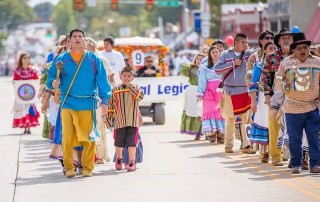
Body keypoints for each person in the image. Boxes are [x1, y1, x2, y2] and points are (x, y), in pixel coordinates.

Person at [46, 28, 112, 178]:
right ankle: (69, 168)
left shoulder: (94, 59)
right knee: (67, 136)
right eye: (74, 36)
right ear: (69, 41)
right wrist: (53, 83)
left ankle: (87, 168)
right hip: (67, 102)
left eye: (80, 36)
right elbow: (50, 79)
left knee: (88, 137)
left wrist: (105, 101)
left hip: (88, 103)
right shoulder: (61, 60)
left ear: (84, 40)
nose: (77, 38)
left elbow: (103, 81)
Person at [274, 32, 320, 174]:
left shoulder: (317, 62)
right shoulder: (286, 62)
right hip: (292, 108)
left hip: (312, 107)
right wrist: (285, 85)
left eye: (305, 48)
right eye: (299, 48)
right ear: (293, 50)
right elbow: (277, 79)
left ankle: (315, 164)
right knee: (294, 138)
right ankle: (296, 164)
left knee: (314, 137)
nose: (302, 51)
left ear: (308, 48)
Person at [214, 33, 256, 154]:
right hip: (230, 91)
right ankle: (228, 145)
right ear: (235, 42)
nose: (245, 44)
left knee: (246, 120)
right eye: (243, 42)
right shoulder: (226, 54)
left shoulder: (249, 54)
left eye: (246, 42)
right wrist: (232, 63)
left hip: (245, 90)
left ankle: (247, 146)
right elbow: (217, 70)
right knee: (230, 119)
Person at [260, 28, 293, 166]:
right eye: (283, 38)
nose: (286, 40)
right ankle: (276, 156)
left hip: (295, 97)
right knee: (275, 127)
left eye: (288, 37)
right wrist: (267, 95)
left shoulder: (297, 56)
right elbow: (265, 78)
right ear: (278, 41)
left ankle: (295, 157)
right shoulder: (271, 57)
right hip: (276, 98)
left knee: (294, 128)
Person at [106, 67, 144, 172]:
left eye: (129, 76)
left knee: (132, 142)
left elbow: (139, 97)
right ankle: (119, 158)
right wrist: (108, 119)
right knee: (118, 142)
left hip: (132, 121)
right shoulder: (115, 90)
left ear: (133, 77)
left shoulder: (136, 88)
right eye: (124, 76)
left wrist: (129, 86)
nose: (126, 78)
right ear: (120, 77)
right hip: (120, 121)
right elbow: (111, 106)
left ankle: (132, 161)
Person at [85, 37, 115, 164]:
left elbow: (111, 79)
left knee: (99, 127)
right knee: (87, 127)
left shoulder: (102, 60)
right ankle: (89, 155)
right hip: (85, 98)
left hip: (100, 98)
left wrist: (108, 98)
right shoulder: (82, 60)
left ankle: (101, 155)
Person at [248, 41, 277, 163]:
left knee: (277, 123)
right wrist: (253, 102)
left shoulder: (280, 64)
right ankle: (264, 152)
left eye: (274, 48)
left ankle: (277, 152)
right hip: (262, 98)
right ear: (264, 51)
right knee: (264, 122)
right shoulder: (259, 65)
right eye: (270, 48)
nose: (272, 50)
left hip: (278, 96)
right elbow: (253, 84)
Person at [197, 46, 224, 143]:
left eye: (217, 52)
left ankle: (221, 135)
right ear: (210, 54)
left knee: (221, 112)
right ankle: (212, 134)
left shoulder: (223, 64)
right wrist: (200, 93)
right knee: (210, 111)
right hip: (209, 92)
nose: (215, 54)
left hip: (221, 91)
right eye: (213, 52)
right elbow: (202, 80)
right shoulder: (205, 66)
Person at [12, 52, 40, 134]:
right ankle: (24, 126)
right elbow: (15, 81)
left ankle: (29, 127)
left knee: (29, 109)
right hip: (21, 94)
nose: (26, 60)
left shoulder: (33, 70)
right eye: (24, 58)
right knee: (23, 110)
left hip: (31, 94)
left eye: (27, 58)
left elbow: (36, 81)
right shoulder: (17, 71)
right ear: (21, 59)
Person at [180, 53, 205, 140]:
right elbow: (182, 70)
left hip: (203, 92)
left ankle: (201, 132)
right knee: (192, 111)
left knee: (201, 112)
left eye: (201, 59)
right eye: (198, 59)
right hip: (191, 92)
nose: (199, 61)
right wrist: (189, 64)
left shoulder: (206, 68)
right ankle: (195, 132)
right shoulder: (191, 68)